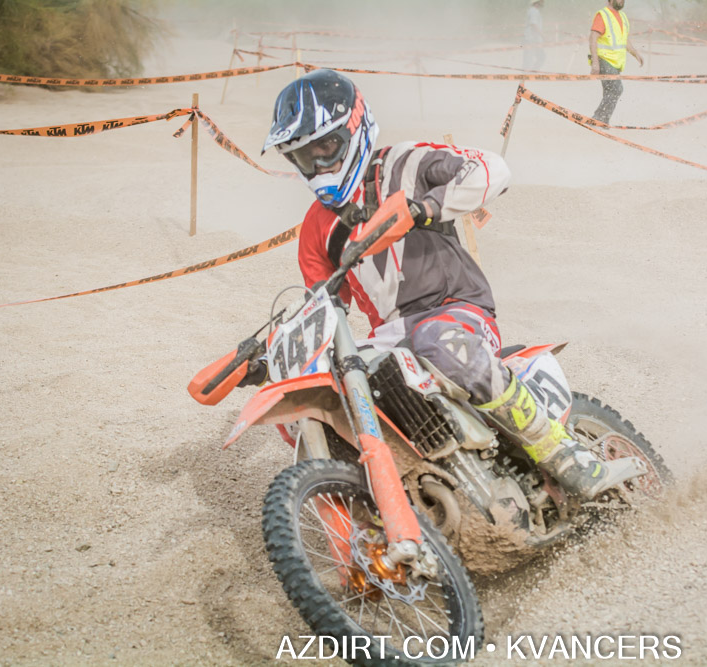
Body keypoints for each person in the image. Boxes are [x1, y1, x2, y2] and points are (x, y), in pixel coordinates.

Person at [254, 69, 638, 500]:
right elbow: (324, 310)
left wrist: (426, 207)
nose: (319, 165)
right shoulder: (315, 227)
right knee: (318, 388)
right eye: (304, 156)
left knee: (435, 339)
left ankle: (560, 450)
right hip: (390, 338)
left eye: (325, 147)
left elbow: (492, 169)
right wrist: (272, 357)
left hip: (456, 311)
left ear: (353, 129)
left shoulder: (403, 163)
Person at [588, 0, 643, 125]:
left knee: (610, 92)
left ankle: (602, 121)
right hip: (604, 59)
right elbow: (593, 38)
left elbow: (624, 40)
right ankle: (598, 119)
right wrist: (595, 62)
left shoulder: (622, 16)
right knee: (616, 89)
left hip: (616, 63)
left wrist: (636, 54)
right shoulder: (603, 15)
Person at [522, 0, 546, 72]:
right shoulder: (534, 12)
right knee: (539, 57)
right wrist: (543, 36)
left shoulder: (532, 10)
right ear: (537, 2)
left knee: (530, 59)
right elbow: (533, 24)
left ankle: (530, 74)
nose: (543, 2)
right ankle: (530, 74)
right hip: (532, 39)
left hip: (532, 39)